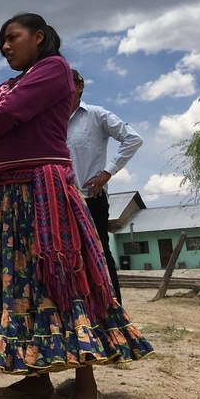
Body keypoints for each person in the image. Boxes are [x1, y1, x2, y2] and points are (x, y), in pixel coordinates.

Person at [0, 13, 153, 399]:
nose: (5, 47)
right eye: (1, 41)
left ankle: (86, 381)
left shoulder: (54, 69)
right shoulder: (5, 86)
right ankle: (35, 375)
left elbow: (4, 120)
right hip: (5, 193)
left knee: (61, 273)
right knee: (17, 284)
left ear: (39, 37)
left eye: (13, 38)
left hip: (44, 190)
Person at [67, 69, 143, 303]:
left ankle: (113, 306)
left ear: (80, 86)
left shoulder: (96, 115)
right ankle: (80, 308)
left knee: (99, 251)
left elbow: (133, 138)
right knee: (69, 254)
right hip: (63, 199)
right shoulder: (52, 121)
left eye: (68, 84)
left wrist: (107, 173)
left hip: (92, 197)